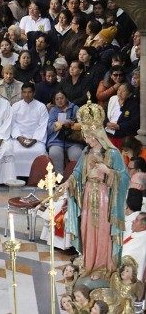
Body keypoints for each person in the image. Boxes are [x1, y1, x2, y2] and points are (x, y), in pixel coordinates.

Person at [66, 98, 130, 277]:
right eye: (85, 136)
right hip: (87, 194)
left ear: (97, 134)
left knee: (102, 229)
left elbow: (125, 178)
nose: (86, 139)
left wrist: (108, 171)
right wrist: (68, 182)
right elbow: (78, 173)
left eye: (88, 135)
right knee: (87, 227)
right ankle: (89, 261)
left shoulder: (112, 153)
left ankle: (102, 266)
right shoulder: (86, 152)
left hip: (104, 197)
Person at [11, 82, 49, 178]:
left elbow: (43, 125)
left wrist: (34, 139)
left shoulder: (41, 106)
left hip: (36, 138)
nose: (27, 95)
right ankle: (17, 177)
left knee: (40, 151)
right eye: (24, 92)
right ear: (21, 93)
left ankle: (36, 178)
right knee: (14, 151)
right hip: (19, 138)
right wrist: (20, 138)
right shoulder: (15, 106)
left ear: (34, 93)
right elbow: (12, 124)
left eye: (29, 92)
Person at [121, 212, 146, 281]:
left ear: (143, 227)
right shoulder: (135, 232)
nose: (133, 221)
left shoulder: (142, 242)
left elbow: (124, 255)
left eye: (136, 220)